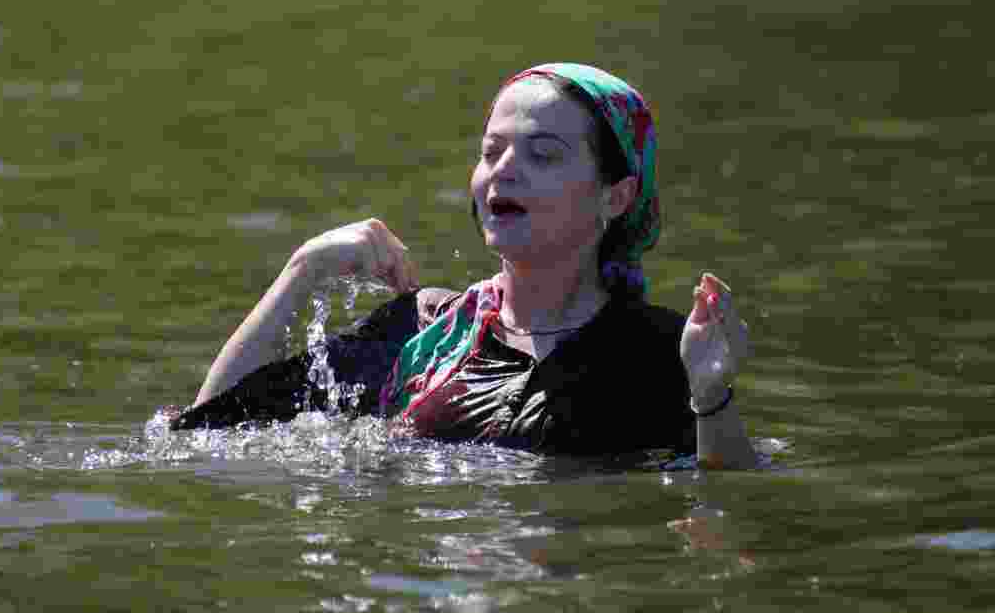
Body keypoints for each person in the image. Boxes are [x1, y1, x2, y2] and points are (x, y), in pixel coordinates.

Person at [173, 63, 757, 468]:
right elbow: (206, 436)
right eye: (490, 151)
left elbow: (720, 507)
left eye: (543, 154)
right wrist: (300, 271)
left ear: (616, 197)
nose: (504, 169)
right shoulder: (424, 330)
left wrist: (711, 396)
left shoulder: (656, 350)